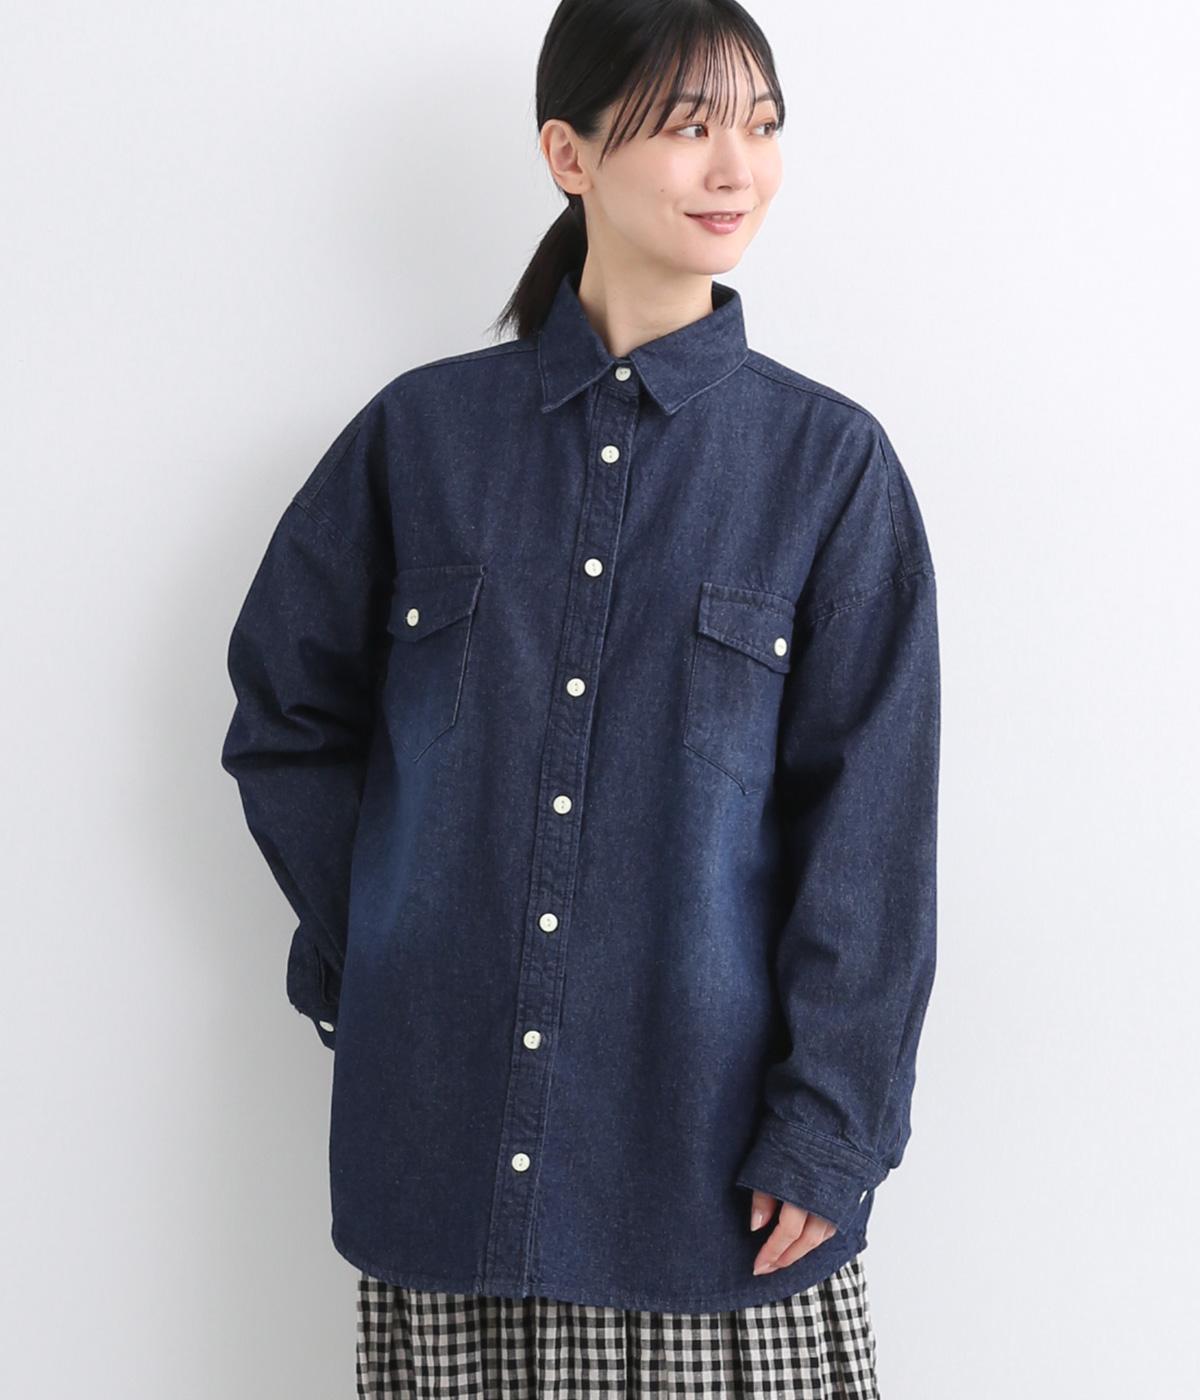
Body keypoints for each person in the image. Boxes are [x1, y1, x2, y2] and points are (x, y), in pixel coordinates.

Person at [220, 1, 940, 1395]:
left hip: (715, 1189)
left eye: (762, 125)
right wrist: (394, 944)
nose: (737, 167)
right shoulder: (420, 439)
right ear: (570, 153)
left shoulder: (829, 469)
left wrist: (831, 1130)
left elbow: (873, 835)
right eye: (690, 125)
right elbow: (285, 720)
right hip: (448, 1174)